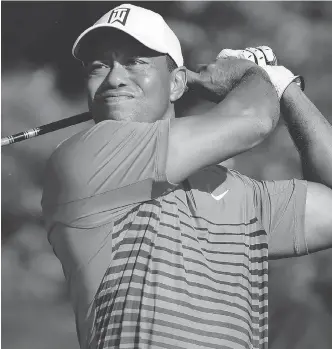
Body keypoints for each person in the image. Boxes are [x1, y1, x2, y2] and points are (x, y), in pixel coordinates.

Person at [41, 4, 332, 349]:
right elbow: (252, 121)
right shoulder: (84, 157)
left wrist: (285, 87)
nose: (115, 78)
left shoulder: (242, 195)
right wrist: (254, 74)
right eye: (99, 66)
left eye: (135, 61)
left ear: (177, 83)